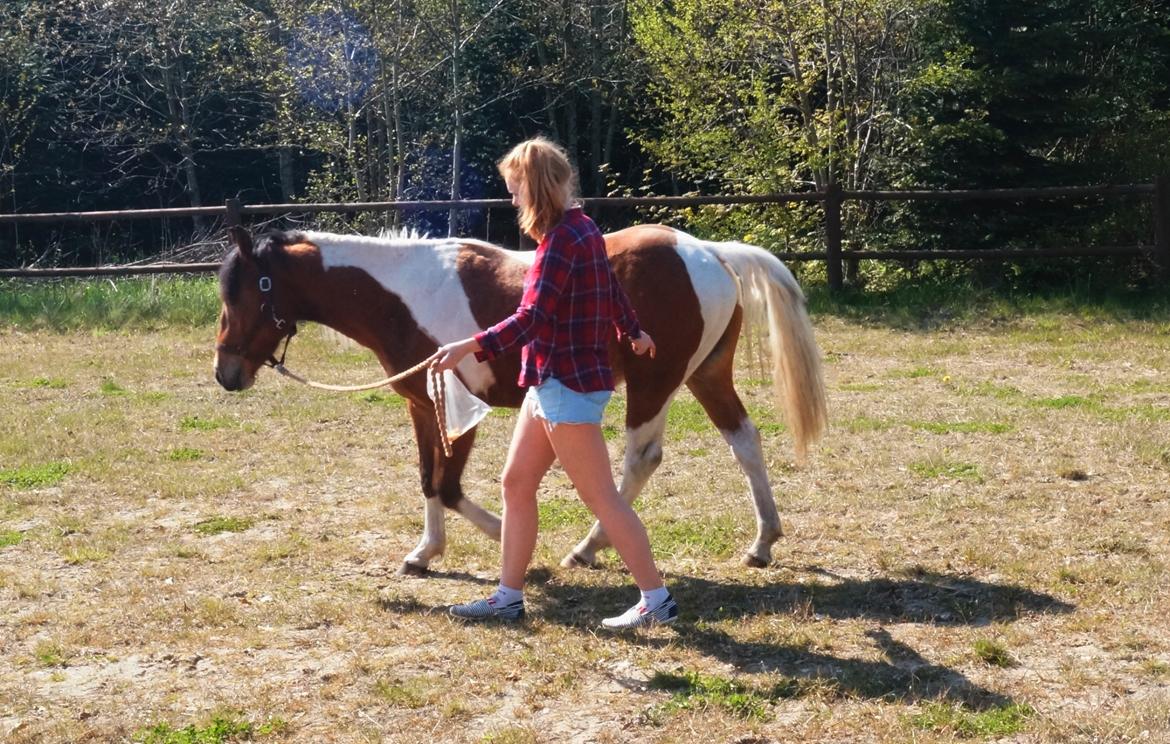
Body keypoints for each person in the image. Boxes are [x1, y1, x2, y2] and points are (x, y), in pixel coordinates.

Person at [428, 137, 678, 629]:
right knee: (516, 482)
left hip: (566, 384)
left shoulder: (563, 241)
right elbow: (609, 289)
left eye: (516, 190)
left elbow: (532, 317)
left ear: (537, 188)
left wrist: (467, 347)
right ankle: (508, 596)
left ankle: (657, 599)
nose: (513, 200)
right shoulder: (581, 229)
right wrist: (634, 330)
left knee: (602, 498)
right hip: (548, 381)